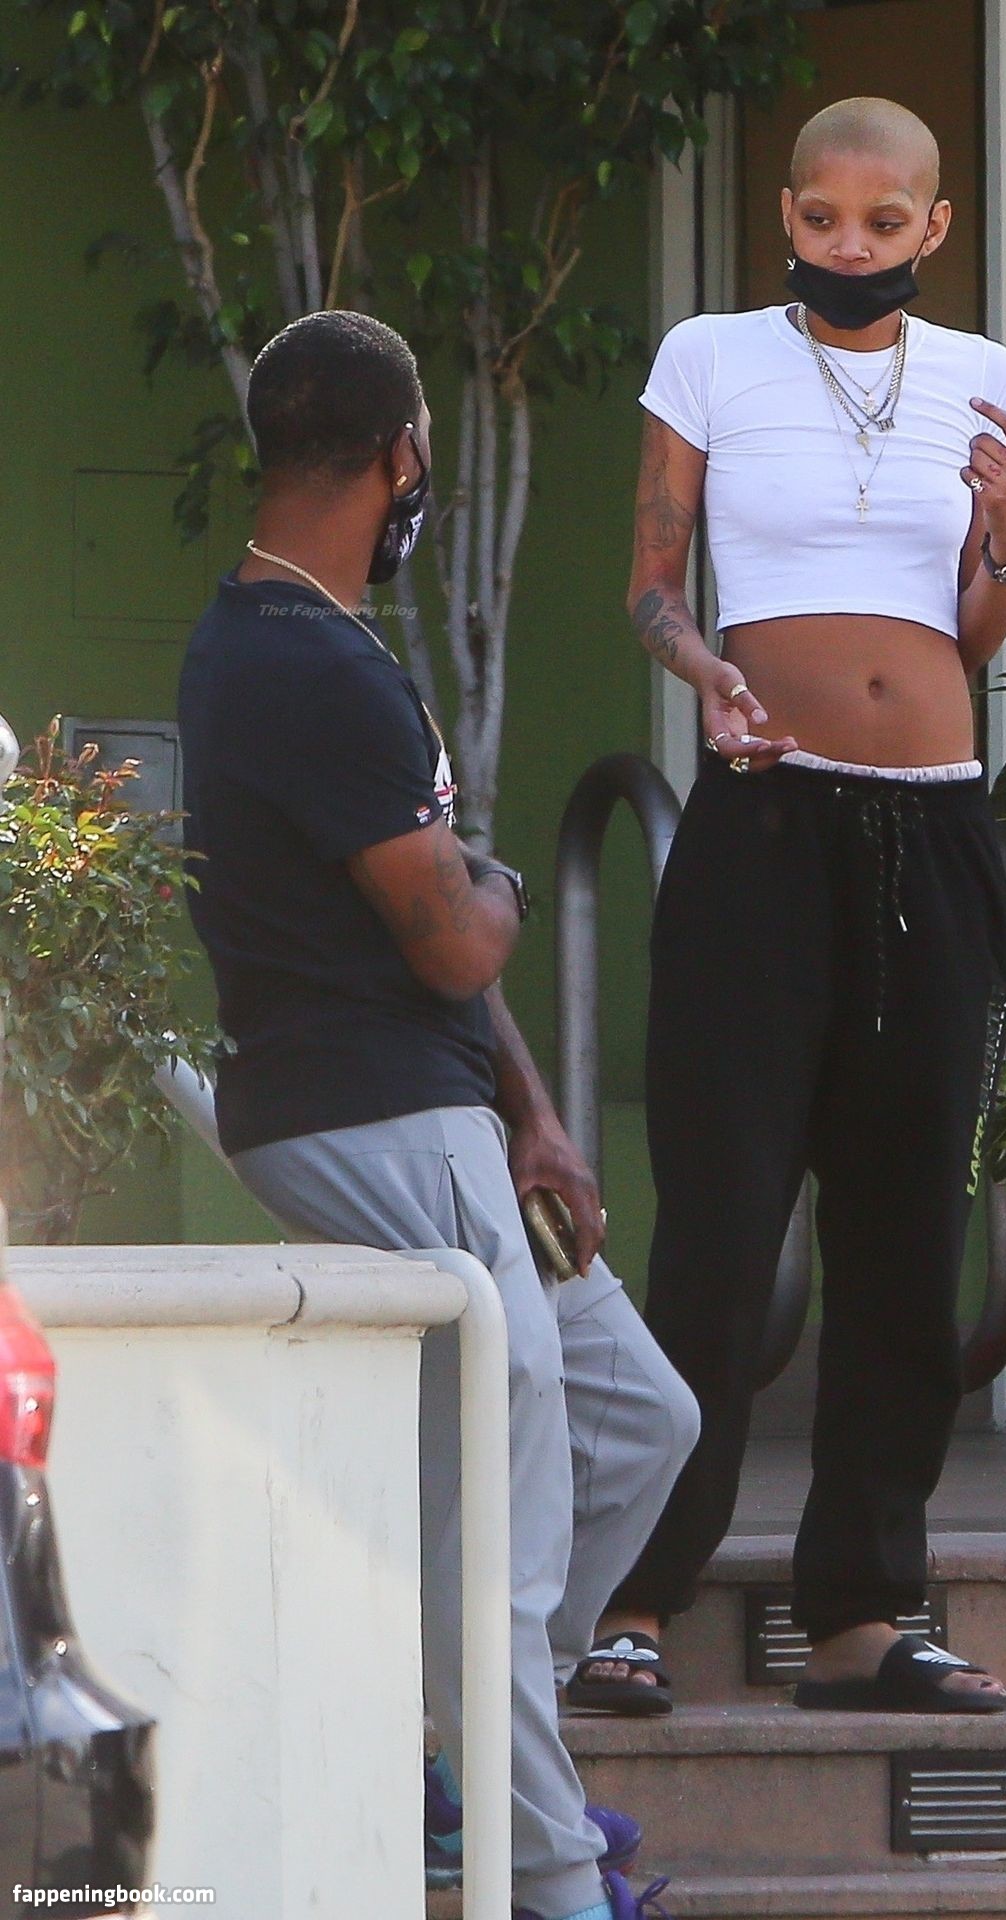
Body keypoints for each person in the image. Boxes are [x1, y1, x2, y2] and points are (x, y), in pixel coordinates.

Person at [177, 310, 698, 1920]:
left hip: (446, 1110)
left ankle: (465, 1744)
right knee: (502, 1498)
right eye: (426, 452)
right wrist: (505, 884)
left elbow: (438, 948)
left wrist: (535, 1113)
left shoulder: (314, 638)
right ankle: (549, 1873)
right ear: (402, 453)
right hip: (373, 1116)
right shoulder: (304, 664)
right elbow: (458, 941)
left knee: (639, 1419)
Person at [566, 98, 1006, 1718]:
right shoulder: (710, 357)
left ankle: (863, 1612)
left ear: (933, 227)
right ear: (785, 214)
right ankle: (632, 1598)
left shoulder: (984, 376)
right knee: (718, 1228)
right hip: (766, 827)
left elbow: (972, 632)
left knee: (907, 1242)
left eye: (882, 223)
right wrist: (703, 670)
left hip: (939, 828)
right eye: (822, 218)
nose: (849, 245)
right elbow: (652, 584)